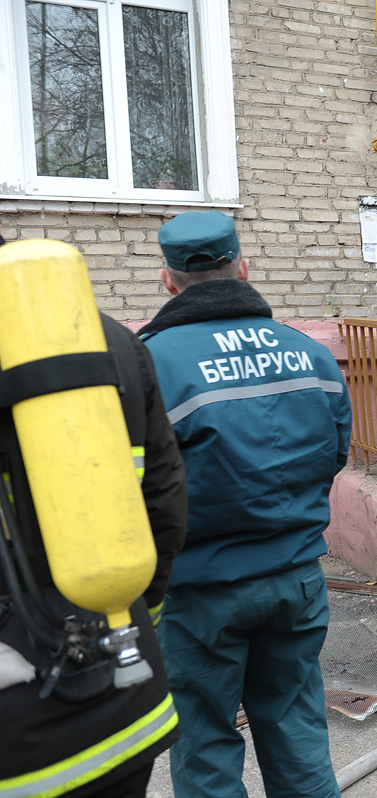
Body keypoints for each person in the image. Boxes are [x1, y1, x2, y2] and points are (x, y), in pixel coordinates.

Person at [140, 210, 352, 798]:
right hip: (297, 580)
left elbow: (138, 483)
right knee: (297, 728)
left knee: (204, 744)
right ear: (244, 268)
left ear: (168, 280)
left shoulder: (149, 362)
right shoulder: (307, 353)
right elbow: (335, 454)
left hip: (200, 590)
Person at [1, 237, 189, 796]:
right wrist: (136, 613)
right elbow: (164, 502)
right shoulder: (109, 338)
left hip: (20, 742)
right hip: (125, 695)